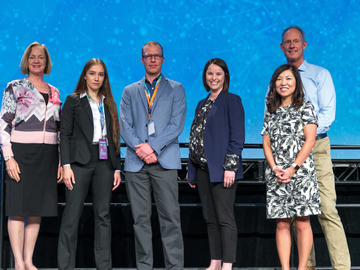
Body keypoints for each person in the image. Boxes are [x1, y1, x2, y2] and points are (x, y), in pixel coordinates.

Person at [280, 25, 351, 270]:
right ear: (282, 47)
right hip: (288, 153)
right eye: (287, 42)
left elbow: (328, 114)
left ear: (304, 44)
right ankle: (305, 267)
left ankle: (342, 267)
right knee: (298, 214)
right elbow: (271, 112)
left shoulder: (320, 74)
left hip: (316, 147)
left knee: (328, 210)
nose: (291, 45)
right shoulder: (278, 79)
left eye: (296, 41)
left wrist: (304, 135)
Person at [119, 41, 186, 270]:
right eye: (148, 56)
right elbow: (124, 125)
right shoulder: (129, 90)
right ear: (142, 60)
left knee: (171, 219)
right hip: (136, 164)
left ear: (163, 59)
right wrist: (141, 148)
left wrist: (152, 148)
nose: (153, 59)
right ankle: (144, 266)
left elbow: (176, 125)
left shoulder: (176, 88)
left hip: (165, 162)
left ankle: (174, 267)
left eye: (157, 56)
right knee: (140, 221)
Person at [0, 42, 62, 270]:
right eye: (33, 57)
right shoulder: (14, 87)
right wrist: (9, 157)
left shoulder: (55, 91)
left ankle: (28, 260)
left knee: (37, 210)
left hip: (47, 156)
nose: (37, 60)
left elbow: (59, 129)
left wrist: (59, 159)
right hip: (21, 154)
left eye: (41, 57)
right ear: (27, 60)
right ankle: (18, 262)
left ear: (47, 63)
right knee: (18, 208)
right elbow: (3, 124)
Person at [57, 58, 121, 270]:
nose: (96, 78)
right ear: (85, 75)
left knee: (103, 216)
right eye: (92, 73)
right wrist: (66, 165)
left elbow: (113, 136)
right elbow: (64, 135)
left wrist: (117, 167)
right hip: (78, 163)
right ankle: (66, 266)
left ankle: (104, 266)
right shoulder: (73, 100)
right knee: (71, 217)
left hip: (104, 163)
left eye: (100, 74)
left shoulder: (108, 102)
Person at [187, 58, 245, 270]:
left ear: (225, 77)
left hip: (222, 171)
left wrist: (230, 166)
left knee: (224, 218)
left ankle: (227, 264)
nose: (214, 77)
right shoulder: (201, 104)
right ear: (205, 77)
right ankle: (215, 262)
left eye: (218, 74)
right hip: (203, 170)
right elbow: (195, 138)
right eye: (210, 74)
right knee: (210, 218)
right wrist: (191, 172)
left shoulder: (232, 100)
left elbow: (237, 138)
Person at [262, 64, 321, 270]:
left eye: (288, 78)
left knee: (303, 222)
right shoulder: (271, 108)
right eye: (279, 79)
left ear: (296, 82)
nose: (283, 83)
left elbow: (310, 140)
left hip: (301, 172)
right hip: (277, 174)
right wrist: (274, 167)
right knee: (282, 223)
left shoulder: (305, 106)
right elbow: (266, 142)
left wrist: (293, 167)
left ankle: (302, 267)